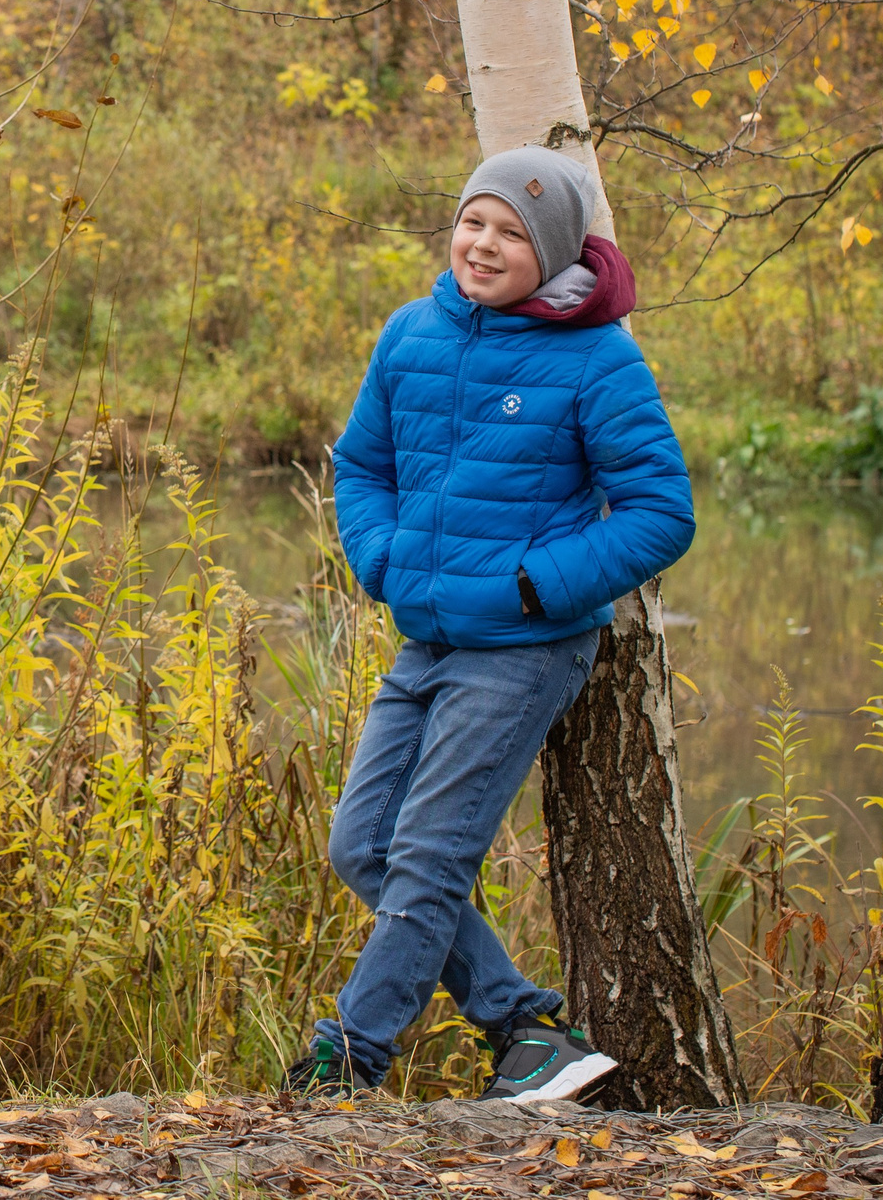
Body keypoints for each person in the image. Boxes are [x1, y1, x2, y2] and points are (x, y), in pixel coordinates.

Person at [291, 147, 694, 1103]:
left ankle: (348, 1063)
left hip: (522, 649)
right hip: (427, 636)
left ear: (550, 253)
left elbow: (661, 509)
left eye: (512, 232)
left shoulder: (597, 355)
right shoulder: (412, 333)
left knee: (430, 852)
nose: (485, 243)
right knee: (364, 847)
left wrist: (533, 586)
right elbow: (361, 464)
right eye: (476, 219)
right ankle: (523, 1028)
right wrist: (383, 559)